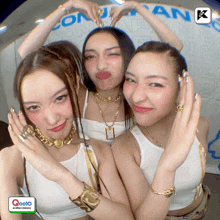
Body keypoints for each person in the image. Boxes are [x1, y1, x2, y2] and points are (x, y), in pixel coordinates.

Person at [18, 0, 183, 144]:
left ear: (128, 57)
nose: (101, 65)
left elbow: (175, 51)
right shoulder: (78, 96)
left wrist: (137, 7)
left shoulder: (138, 97)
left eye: (112, 54)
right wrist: (68, 5)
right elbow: (26, 53)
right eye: (90, 56)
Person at [0, 46, 134, 220]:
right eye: (34, 107)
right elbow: (16, 208)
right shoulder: (12, 158)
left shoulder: (98, 151)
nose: (51, 119)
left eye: (60, 98)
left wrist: (62, 176)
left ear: (75, 84)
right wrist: (31, 203)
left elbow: (124, 217)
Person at [112, 41, 210, 220]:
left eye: (155, 84)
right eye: (131, 80)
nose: (136, 96)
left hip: (200, 209)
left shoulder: (200, 126)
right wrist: (166, 167)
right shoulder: (125, 147)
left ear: (182, 90)